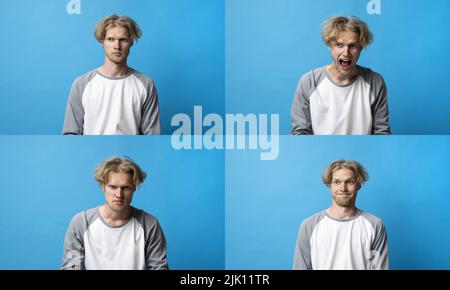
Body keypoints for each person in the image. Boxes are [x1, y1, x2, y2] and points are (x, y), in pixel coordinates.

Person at [61, 157, 168, 270]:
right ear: (103, 186)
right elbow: (71, 267)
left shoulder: (149, 224)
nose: (119, 194)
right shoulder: (81, 223)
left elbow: (159, 267)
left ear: (134, 189)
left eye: (125, 188)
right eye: (113, 187)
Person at [291, 16, 391, 135]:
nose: (346, 53)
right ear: (330, 46)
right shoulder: (309, 82)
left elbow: (382, 133)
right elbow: (300, 134)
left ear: (361, 48)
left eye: (352, 46)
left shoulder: (375, 82)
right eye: (339, 45)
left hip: (362, 152)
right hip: (320, 152)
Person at [63, 15, 160, 135]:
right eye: (110, 39)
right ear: (102, 42)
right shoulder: (81, 84)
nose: (117, 46)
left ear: (131, 42)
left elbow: (152, 136)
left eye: (123, 39)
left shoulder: (145, 84)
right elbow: (71, 134)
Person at [293, 160, 388, 270]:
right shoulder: (309, 226)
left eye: (350, 182)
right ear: (330, 185)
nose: (343, 188)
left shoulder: (374, 225)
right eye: (337, 182)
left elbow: (379, 268)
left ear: (359, 185)